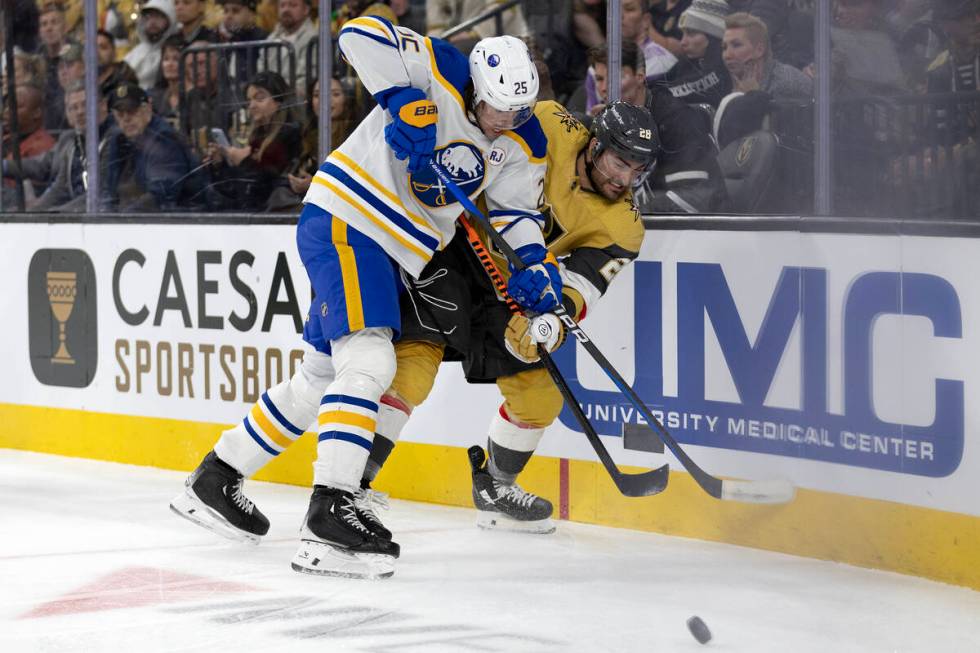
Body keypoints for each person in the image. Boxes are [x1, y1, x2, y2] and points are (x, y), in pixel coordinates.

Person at [171, 25, 554, 579]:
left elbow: (515, 213)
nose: (504, 122)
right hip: (350, 219)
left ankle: (216, 478)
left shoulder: (525, 137)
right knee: (370, 360)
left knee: (320, 379)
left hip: (396, 248)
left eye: (517, 112)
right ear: (477, 86)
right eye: (496, 108)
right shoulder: (440, 65)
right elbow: (360, 34)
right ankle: (330, 513)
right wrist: (402, 99)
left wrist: (534, 264)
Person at [361, 101, 658, 533]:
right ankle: (351, 488)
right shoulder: (551, 122)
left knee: (540, 397)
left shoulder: (625, 227)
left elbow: (584, 285)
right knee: (411, 372)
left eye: (637, 170)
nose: (625, 179)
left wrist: (553, 320)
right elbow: (484, 135)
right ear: (596, 145)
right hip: (454, 247)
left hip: (513, 286)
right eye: (620, 162)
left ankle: (496, 486)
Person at [593, 41, 730, 213]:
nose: (605, 88)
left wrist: (626, 216)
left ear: (640, 76)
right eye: (599, 79)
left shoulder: (677, 120)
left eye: (615, 78)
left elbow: (695, 196)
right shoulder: (609, 125)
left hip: (699, 234)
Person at [206, 71, 302, 210]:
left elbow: (265, 184)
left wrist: (243, 161)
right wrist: (219, 164)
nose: (251, 106)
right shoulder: (258, 136)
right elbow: (235, 191)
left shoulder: (289, 134)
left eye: (259, 98)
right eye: (249, 100)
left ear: (279, 101)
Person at [103, 82, 206, 210]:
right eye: (120, 114)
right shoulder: (119, 140)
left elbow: (160, 197)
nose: (126, 119)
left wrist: (119, 219)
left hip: (176, 223)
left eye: (132, 111)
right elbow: (107, 190)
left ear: (148, 109)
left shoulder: (164, 140)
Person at [16, 81, 116, 211]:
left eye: (85, 105)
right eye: (73, 107)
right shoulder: (73, 142)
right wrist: (33, 213)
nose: (80, 112)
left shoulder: (115, 139)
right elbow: (61, 187)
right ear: (68, 114)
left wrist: (59, 213)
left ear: (103, 106)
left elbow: (101, 193)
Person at [722, 11, 812, 99]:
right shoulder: (729, 82)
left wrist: (752, 97)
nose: (727, 55)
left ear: (759, 50)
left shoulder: (787, 84)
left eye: (736, 45)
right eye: (724, 47)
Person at [662, 0, 733, 107]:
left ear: (713, 37)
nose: (683, 42)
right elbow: (660, 82)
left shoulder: (722, 67)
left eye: (691, 34)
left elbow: (667, 92)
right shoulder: (688, 61)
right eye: (683, 34)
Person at [265, 0, 319, 97]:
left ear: (306, 9)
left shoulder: (314, 38)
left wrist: (282, 96)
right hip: (270, 100)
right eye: (282, 5)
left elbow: (308, 79)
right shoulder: (271, 38)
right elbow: (261, 72)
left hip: (298, 102)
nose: (286, 10)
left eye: (293, 5)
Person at [124, 0, 179, 90]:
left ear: (170, 19)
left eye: (158, 16)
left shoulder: (175, 50)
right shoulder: (136, 52)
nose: (152, 22)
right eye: (148, 17)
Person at [96, 29, 139, 98]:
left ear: (114, 52)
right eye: (91, 48)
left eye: (103, 47)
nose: (96, 53)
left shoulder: (125, 79)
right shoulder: (83, 81)